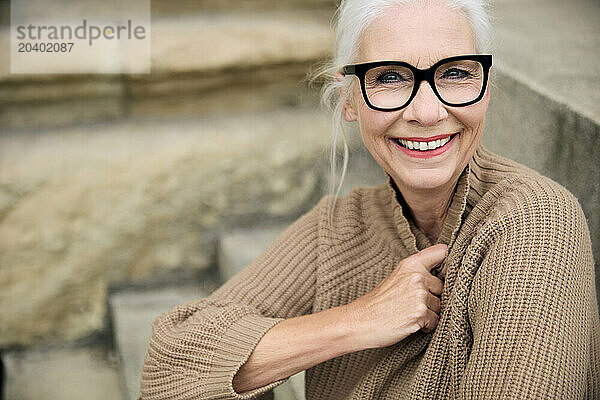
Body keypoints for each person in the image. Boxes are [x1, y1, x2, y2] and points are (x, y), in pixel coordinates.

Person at [140, 0, 600, 398]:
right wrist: (357, 321)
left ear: (487, 84)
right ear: (349, 99)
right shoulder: (339, 227)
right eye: (391, 77)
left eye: (456, 73)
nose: (426, 112)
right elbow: (167, 370)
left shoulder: (536, 223)